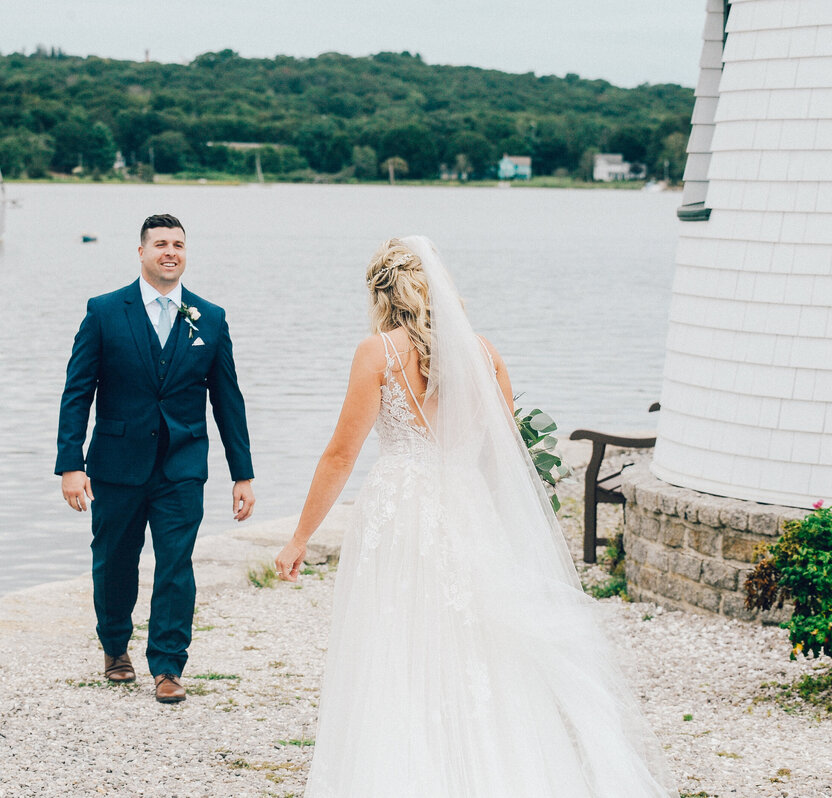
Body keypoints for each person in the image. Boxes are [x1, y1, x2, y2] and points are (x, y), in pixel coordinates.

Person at [274, 237, 676, 796]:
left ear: (381, 294)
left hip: (401, 513)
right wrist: (496, 523)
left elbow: (341, 455)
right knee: (477, 643)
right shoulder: (484, 354)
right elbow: (503, 456)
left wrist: (299, 538)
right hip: (466, 508)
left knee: (394, 640)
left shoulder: (378, 353)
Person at [56, 213, 255, 704]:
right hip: (116, 464)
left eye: (179, 245)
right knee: (115, 560)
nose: (171, 252)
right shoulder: (104, 311)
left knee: (175, 563)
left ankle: (168, 666)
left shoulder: (210, 317)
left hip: (182, 465)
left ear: (186, 254)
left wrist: (242, 474)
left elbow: (228, 400)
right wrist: (70, 463)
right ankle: (115, 647)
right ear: (141, 252)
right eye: (161, 243)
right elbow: (77, 391)